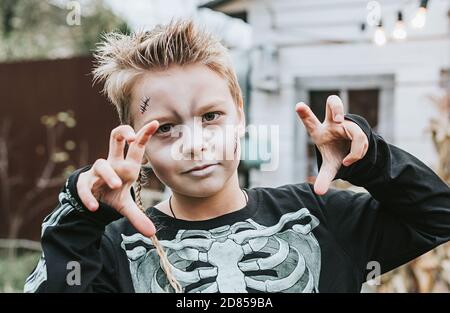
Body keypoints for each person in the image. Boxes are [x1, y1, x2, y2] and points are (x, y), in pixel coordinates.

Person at [24, 20, 450, 293]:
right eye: (166, 128)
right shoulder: (115, 248)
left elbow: (438, 215)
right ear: (138, 143)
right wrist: (81, 216)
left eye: (211, 116)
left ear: (240, 116)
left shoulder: (320, 218)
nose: (194, 142)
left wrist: (371, 159)